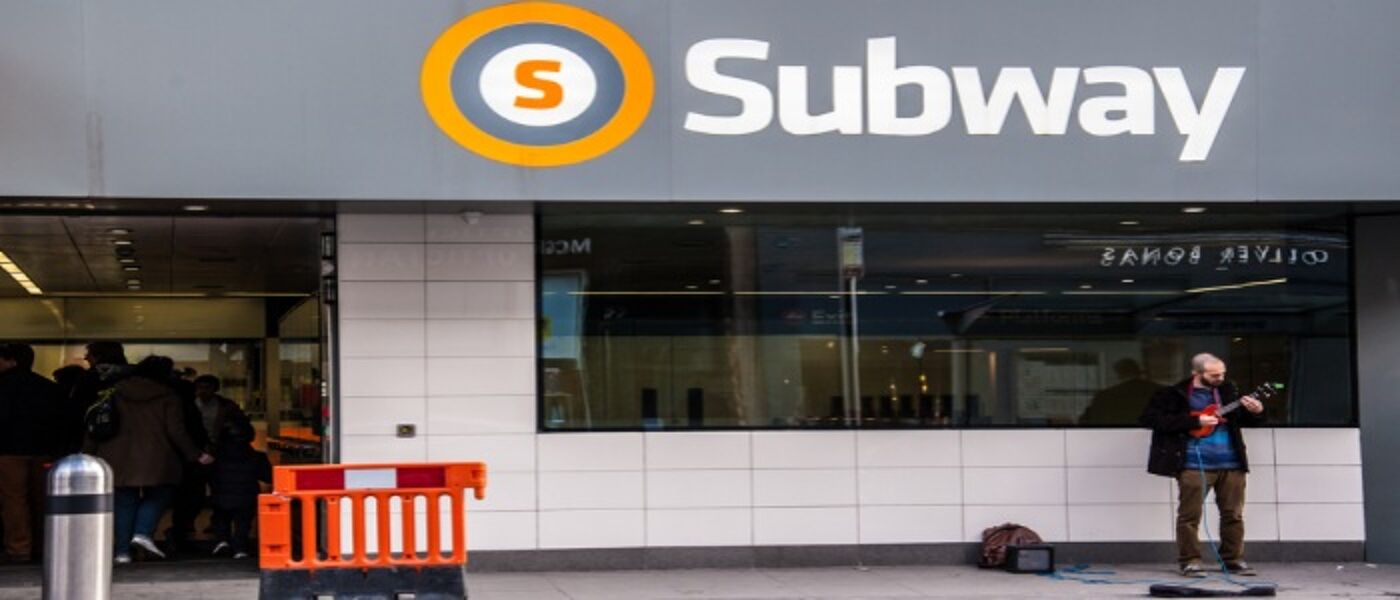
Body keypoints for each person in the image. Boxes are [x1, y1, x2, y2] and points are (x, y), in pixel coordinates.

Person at [1140, 353, 1265, 578]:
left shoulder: (1228, 391)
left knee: (1233, 514)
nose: (1220, 378)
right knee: (1190, 515)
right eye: (1214, 375)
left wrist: (1256, 413)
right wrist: (1195, 421)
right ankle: (1190, 561)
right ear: (1196, 373)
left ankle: (1233, 560)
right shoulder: (1173, 394)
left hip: (1232, 462)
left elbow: (1245, 421)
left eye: (1223, 374)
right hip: (1192, 462)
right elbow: (1150, 419)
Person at [84, 355, 213, 564]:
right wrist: (196, 454)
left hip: (116, 455)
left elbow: (96, 424)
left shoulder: (113, 392)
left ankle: (122, 552)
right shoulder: (169, 396)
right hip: (157, 456)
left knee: (124, 502)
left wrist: (88, 454)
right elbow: (176, 431)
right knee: (161, 493)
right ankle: (142, 533)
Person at [0, 343, 60, 564]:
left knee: (14, 501)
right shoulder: (48, 387)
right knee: (42, 499)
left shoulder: (2, 386)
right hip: (44, 451)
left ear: (11, 361)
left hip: (8, 451)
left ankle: (19, 548)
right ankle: (44, 545)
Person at [208, 412, 270, 560]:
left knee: (220, 517)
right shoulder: (257, 457)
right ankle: (240, 548)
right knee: (243, 523)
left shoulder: (215, 456)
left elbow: (207, 474)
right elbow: (267, 477)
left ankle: (222, 541)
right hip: (247, 496)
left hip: (221, 495)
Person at [1080, 358, 1164, 425]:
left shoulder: (1104, 396)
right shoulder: (1161, 391)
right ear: (1139, 372)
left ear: (1118, 374)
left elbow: (1086, 421)